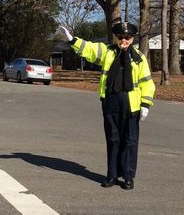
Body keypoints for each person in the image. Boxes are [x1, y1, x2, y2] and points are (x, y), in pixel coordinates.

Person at [59, 22, 155, 190]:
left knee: (130, 141)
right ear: (116, 38)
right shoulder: (108, 52)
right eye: (121, 37)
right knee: (113, 139)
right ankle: (111, 175)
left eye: (127, 37)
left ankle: (128, 176)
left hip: (130, 103)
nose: (123, 40)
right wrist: (72, 40)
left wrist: (145, 104)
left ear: (132, 39)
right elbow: (90, 49)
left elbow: (147, 82)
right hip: (111, 101)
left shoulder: (139, 58)